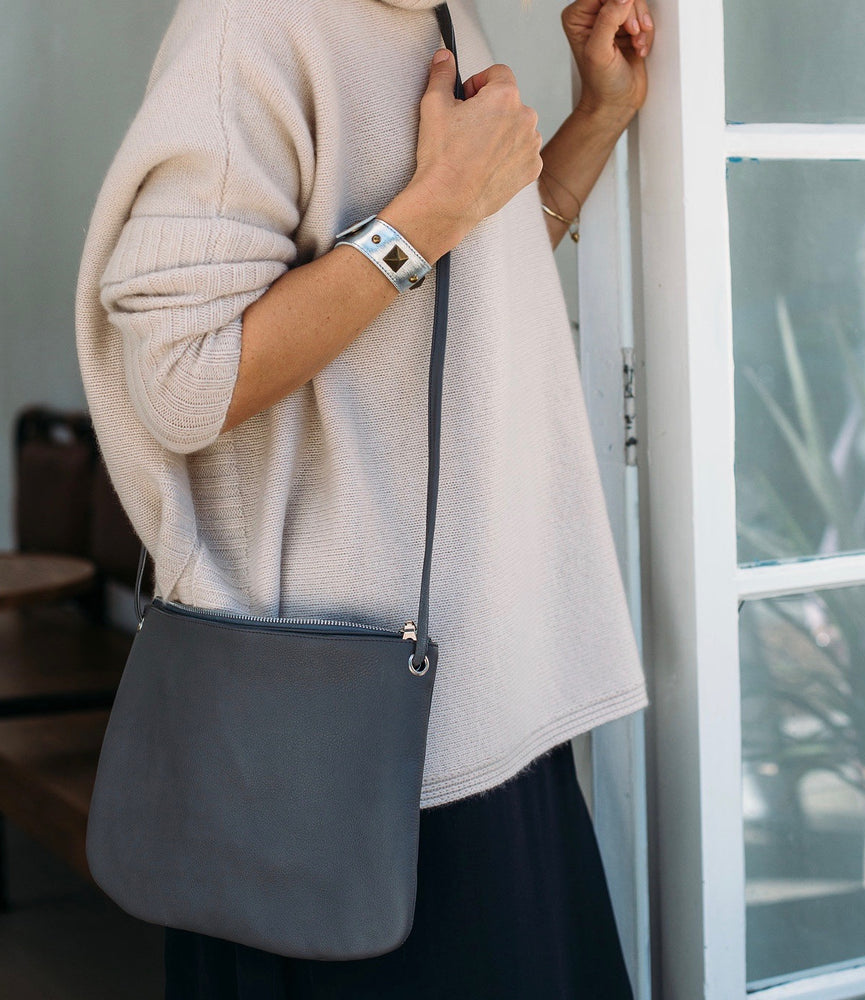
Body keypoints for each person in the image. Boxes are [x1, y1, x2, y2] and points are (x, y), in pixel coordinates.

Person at [75, 0, 655, 995]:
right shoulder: (248, 32)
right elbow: (185, 383)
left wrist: (597, 117)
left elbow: (460, 278)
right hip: (331, 743)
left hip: (485, 695)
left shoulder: (444, 18)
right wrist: (431, 209)